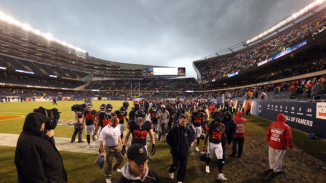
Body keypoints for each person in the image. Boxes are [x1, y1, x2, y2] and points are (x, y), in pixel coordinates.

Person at [15, 112, 67, 182]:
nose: (44, 125)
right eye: (42, 123)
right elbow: (34, 174)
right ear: (36, 124)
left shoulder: (32, 137)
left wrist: (49, 137)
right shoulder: (31, 143)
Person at [167, 114, 195, 183]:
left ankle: (180, 180)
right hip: (175, 152)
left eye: (185, 121)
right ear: (179, 120)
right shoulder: (173, 129)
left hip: (184, 151)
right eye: (183, 121)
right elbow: (168, 139)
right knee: (175, 166)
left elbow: (192, 136)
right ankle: (171, 170)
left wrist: (188, 143)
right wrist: (173, 146)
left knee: (183, 167)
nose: (184, 123)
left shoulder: (187, 129)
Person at [99, 116, 124, 183]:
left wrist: (121, 144)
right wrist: (102, 151)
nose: (118, 124)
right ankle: (108, 177)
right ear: (113, 122)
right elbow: (101, 141)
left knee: (121, 158)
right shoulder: (105, 130)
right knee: (108, 163)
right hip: (108, 148)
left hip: (117, 146)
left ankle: (114, 168)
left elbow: (118, 136)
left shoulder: (117, 127)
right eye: (117, 123)